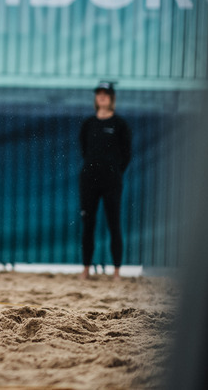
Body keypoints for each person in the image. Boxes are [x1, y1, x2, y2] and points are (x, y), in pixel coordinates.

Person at [78, 81, 132, 281]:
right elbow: (84, 150)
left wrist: (114, 172)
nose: (102, 97)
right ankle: (86, 269)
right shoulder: (88, 124)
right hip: (89, 180)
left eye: (105, 94)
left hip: (111, 181)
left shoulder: (120, 124)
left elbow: (126, 154)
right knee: (88, 224)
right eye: (98, 93)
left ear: (112, 98)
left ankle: (116, 271)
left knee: (114, 224)